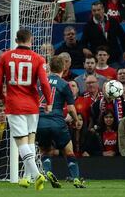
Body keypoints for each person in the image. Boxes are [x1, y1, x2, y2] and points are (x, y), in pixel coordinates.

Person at [0, 29, 52, 191]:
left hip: (14, 104)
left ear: (15, 39)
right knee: (30, 142)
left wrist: (2, 97)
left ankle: (36, 174)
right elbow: (44, 83)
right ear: (31, 40)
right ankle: (26, 178)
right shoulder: (38, 58)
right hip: (32, 105)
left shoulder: (5, 56)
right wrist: (49, 102)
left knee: (21, 143)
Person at [37, 56, 85, 188]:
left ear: (49, 67)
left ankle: (48, 172)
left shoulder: (38, 82)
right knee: (69, 151)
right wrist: (76, 121)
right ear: (64, 68)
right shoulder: (64, 84)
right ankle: (75, 178)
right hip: (57, 122)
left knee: (45, 151)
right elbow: (70, 108)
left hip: (40, 122)